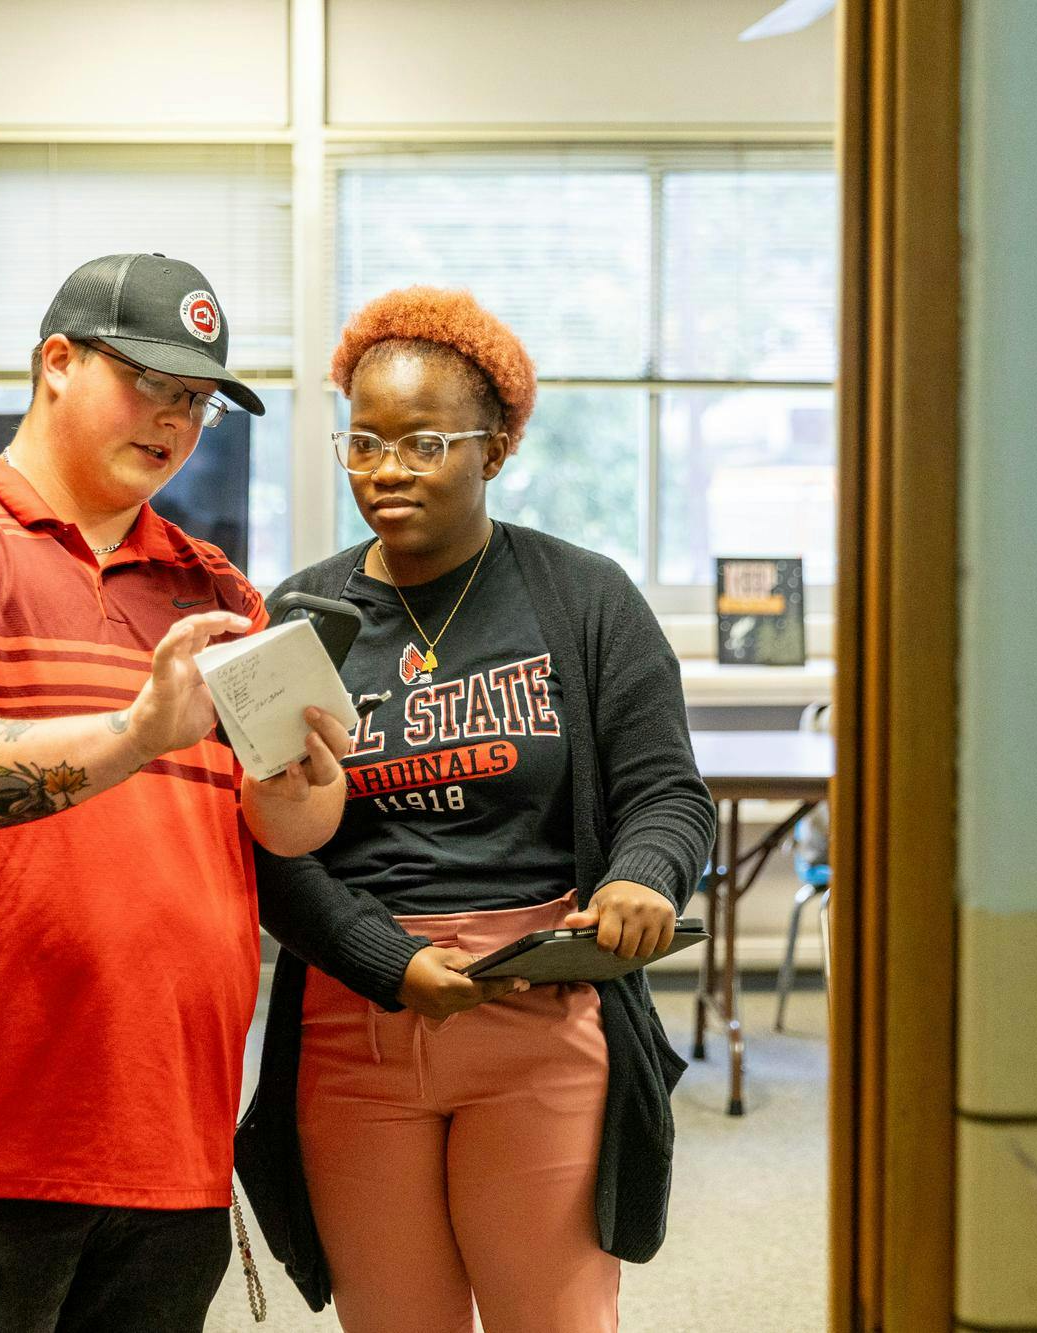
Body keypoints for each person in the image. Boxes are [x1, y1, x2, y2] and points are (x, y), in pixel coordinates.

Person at [0, 253, 352, 1333]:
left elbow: (285, 829)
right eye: (150, 382)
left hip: (168, 1140)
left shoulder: (217, 591)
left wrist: (306, 783)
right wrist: (136, 732)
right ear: (56, 361)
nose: (176, 420)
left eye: (197, 401)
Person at [236, 287, 717, 1333]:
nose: (386, 470)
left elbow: (664, 789)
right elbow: (265, 847)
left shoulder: (584, 598)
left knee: (553, 1315)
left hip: (542, 1011)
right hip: (357, 1016)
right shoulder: (298, 621)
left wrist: (640, 877)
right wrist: (384, 959)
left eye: (423, 443)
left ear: (494, 448)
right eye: (364, 442)